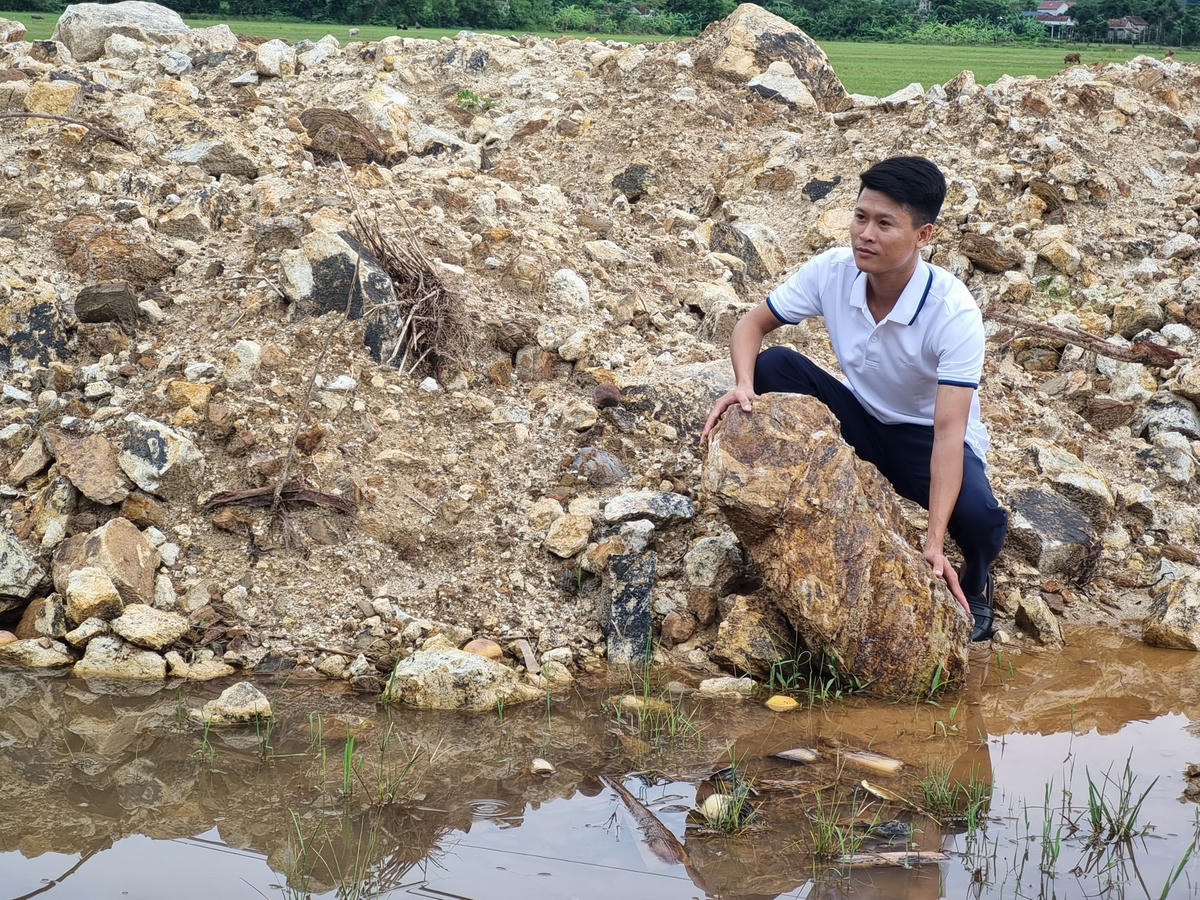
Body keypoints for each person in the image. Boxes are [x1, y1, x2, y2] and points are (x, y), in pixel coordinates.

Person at [700, 156, 1007, 642]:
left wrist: (932, 541)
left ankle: (977, 582)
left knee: (981, 516)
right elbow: (751, 324)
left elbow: (949, 433)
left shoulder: (953, 312)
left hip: (923, 439)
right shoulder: (834, 271)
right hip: (860, 419)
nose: (865, 234)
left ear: (923, 236)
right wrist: (742, 384)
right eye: (861, 217)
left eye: (885, 223)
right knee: (773, 365)